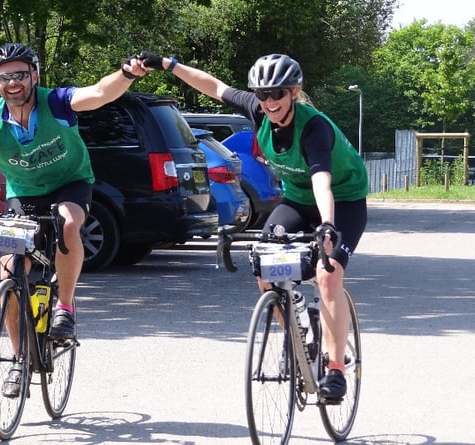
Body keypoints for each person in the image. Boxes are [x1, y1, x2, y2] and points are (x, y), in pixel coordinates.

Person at [140, 52, 367, 402]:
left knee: (327, 273)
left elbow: (322, 180)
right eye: (263, 94)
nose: (270, 101)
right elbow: (212, 85)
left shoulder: (314, 127)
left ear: (294, 92)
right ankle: (301, 331)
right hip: (295, 199)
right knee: (265, 265)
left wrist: (326, 226)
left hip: (343, 199)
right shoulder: (259, 110)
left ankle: (335, 369)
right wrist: (169, 64)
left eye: (277, 93)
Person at [0, 43, 146, 397]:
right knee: (9, 271)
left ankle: (65, 307)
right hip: (23, 193)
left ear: (34, 75)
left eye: (20, 75)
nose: (13, 83)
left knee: (68, 223)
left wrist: (127, 73)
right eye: (4, 77)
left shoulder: (55, 101)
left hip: (71, 183)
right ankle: (18, 360)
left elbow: (101, 93)